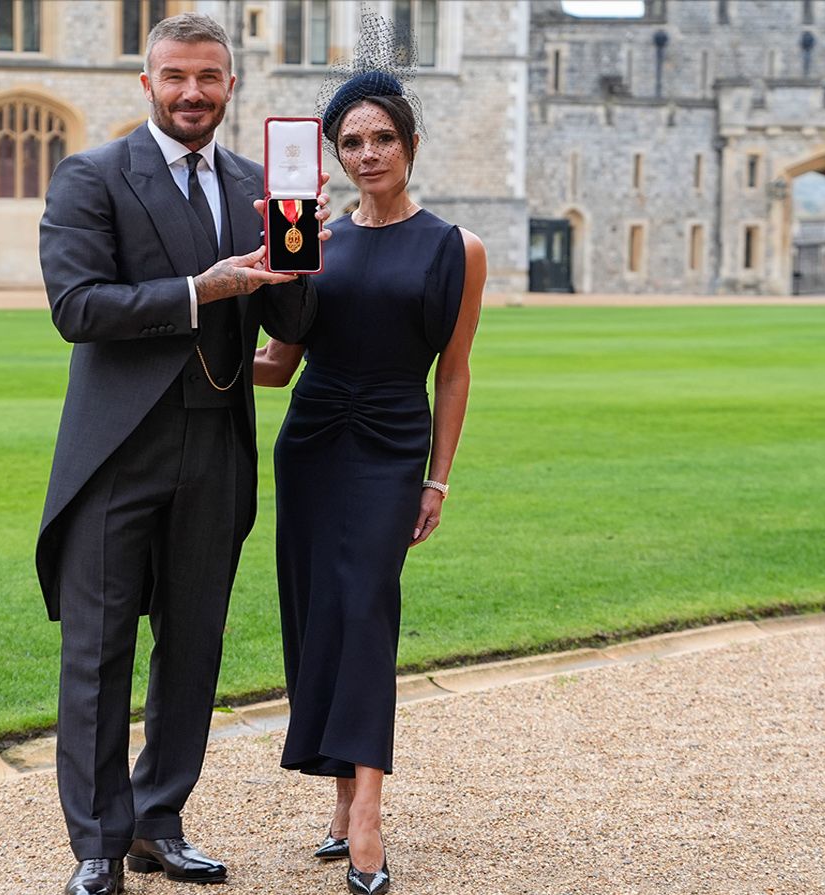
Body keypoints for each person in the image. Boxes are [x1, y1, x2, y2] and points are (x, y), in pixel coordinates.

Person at [35, 12, 331, 895]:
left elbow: (292, 324)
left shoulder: (256, 181)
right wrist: (202, 290)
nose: (193, 92)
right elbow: (77, 307)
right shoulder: (91, 177)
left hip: (216, 445)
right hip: (116, 451)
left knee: (194, 645)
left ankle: (159, 821)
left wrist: (302, 244)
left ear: (231, 85)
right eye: (176, 77)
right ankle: (98, 840)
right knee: (98, 651)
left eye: (209, 77)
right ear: (148, 84)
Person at [253, 66, 486, 895]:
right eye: (350, 141)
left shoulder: (457, 248)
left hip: (392, 444)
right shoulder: (314, 241)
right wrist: (189, 349)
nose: (367, 152)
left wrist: (439, 479)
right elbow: (278, 367)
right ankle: (341, 793)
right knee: (317, 611)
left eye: (382, 137)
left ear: (411, 144)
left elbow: (453, 375)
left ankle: (369, 811)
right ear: (334, 155)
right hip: (311, 439)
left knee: (367, 608)